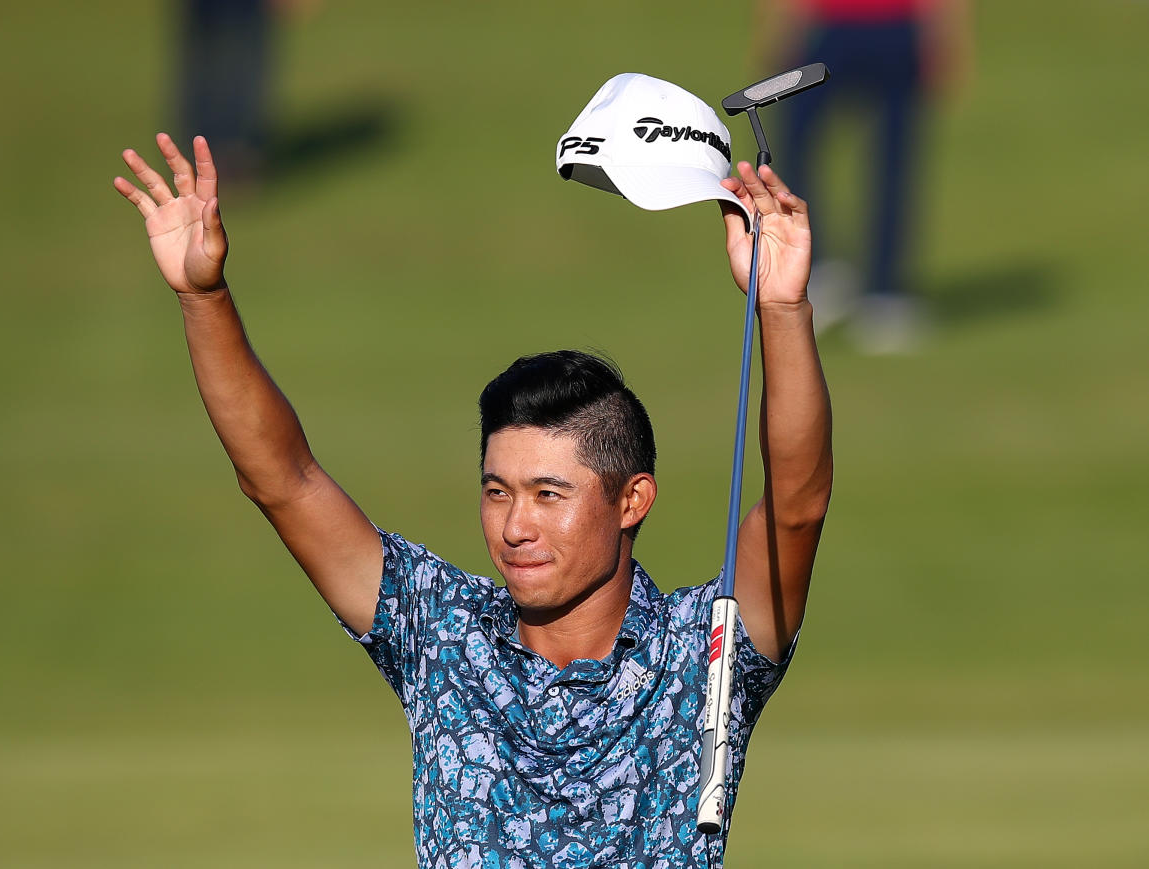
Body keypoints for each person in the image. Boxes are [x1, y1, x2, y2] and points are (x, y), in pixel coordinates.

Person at [113, 132, 832, 867]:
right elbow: (283, 481)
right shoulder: (440, 632)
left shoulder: (705, 653)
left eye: (549, 493)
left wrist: (780, 307)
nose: (516, 525)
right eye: (497, 491)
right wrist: (203, 297)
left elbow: (796, 507)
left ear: (632, 499)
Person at [759, 0, 973, 352]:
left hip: (898, 28)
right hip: (830, 26)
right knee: (791, 144)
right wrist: (780, 29)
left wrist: (948, 36)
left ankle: (886, 292)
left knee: (895, 161)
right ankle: (820, 266)